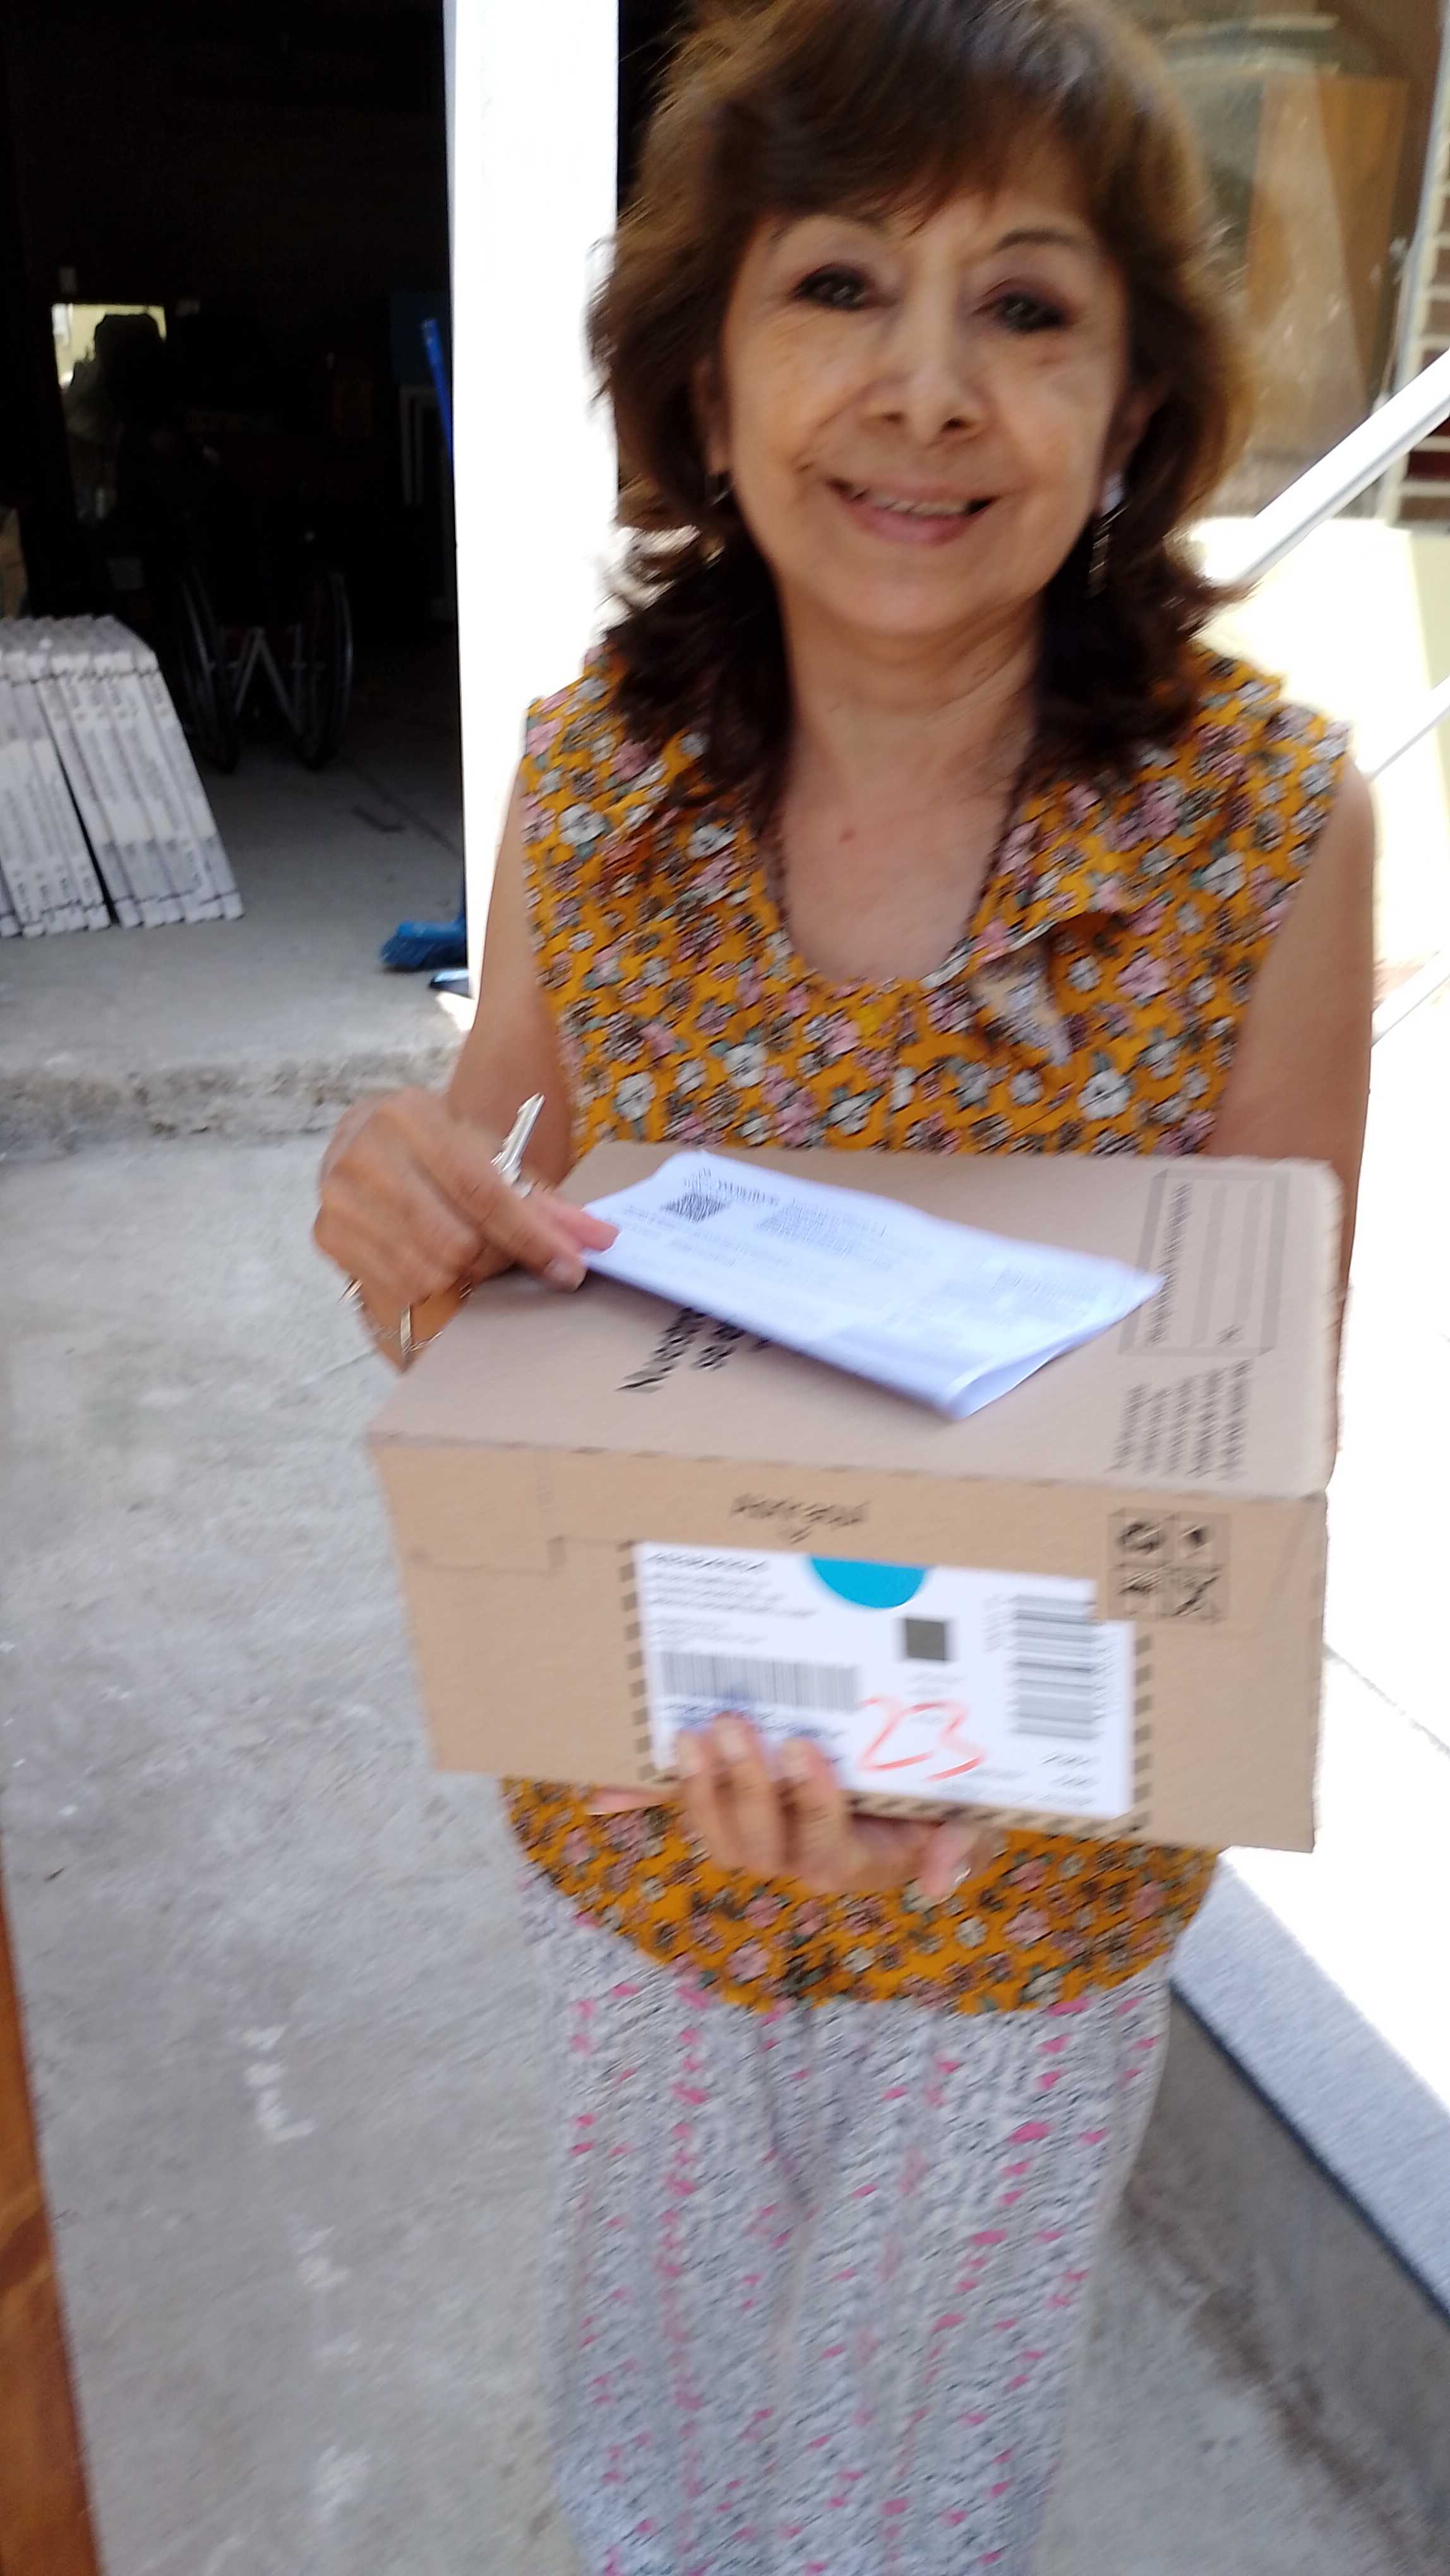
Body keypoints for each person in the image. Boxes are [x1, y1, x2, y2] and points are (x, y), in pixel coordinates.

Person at [315, 2, 1374, 2565]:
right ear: (703, 375)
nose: (927, 390)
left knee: (905, 2492)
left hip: (1026, 1877)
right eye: (835, 286)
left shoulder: (1263, 824)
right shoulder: (597, 778)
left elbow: (1243, 1454)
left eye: (1025, 305)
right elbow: (494, 1271)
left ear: (1132, 402)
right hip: (643, 1802)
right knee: (655, 2451)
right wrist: (411, 1220)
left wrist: (974, 1760)